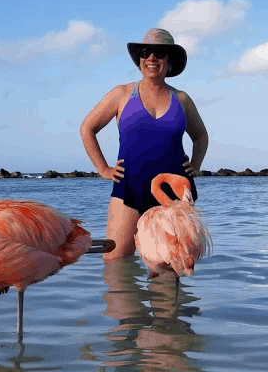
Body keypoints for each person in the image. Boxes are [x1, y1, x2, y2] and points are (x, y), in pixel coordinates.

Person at [81, 28, 209, 260]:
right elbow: (87, 128)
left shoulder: (181, 99)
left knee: (171, 266)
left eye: (159, 53)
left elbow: (200, 136)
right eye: (145, 52)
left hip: (175, 195)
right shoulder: (121, 94)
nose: (151, 58)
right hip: (128, 188)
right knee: (116, 262)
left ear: (169, 61)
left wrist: (196, 165)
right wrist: (103, 169)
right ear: (139, 60)